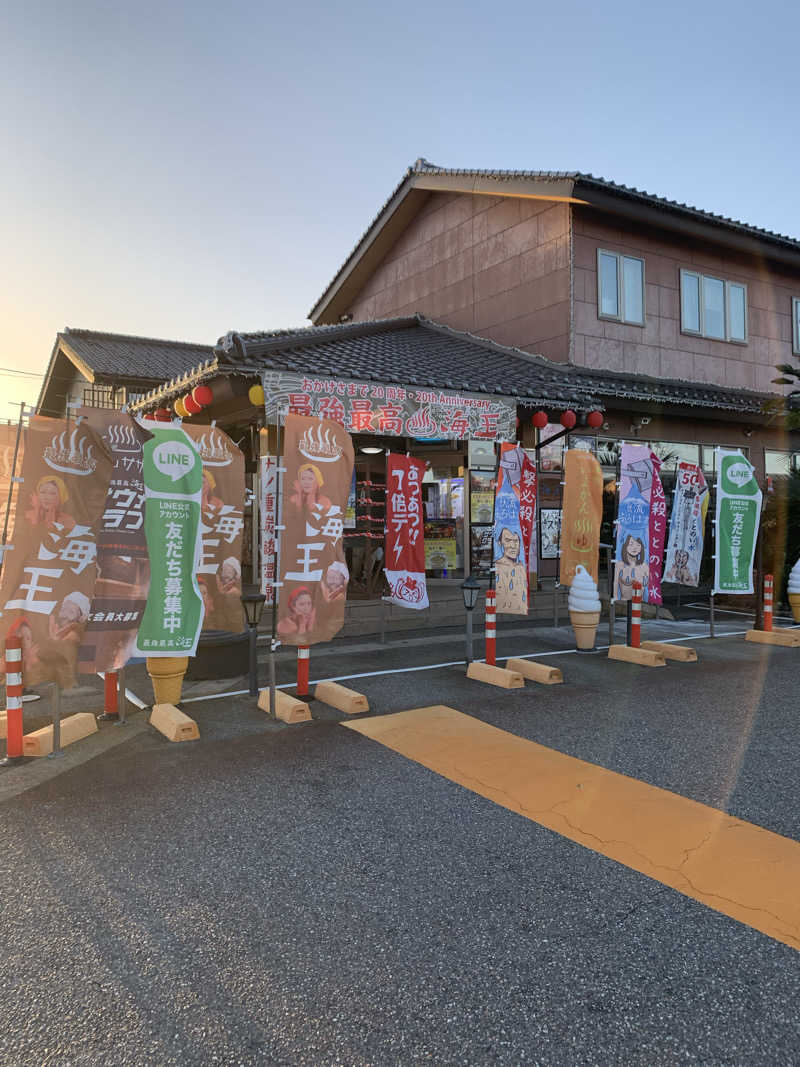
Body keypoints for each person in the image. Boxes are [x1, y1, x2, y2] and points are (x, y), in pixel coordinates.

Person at [615, 534, 650, 600]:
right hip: (624, 603)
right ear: (626, 546)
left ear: (641, 548)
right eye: (631, 544)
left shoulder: (645, 566)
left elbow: (648, 587)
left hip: (640, 604)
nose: (635, 548)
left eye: (638, 545)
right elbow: (615, 583)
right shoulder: (619, 565)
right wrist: (615, 597)